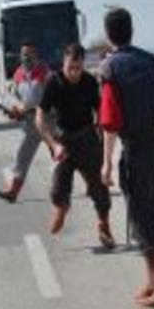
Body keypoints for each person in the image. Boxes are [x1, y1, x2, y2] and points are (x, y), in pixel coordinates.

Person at [99, 7, 154, 308]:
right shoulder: (150, 60)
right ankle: (152, 282)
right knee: (144, 213)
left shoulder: (110, 69)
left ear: (108, 35)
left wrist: (107, 163)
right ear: (131, 31)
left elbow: (109, 122)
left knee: (145, 218)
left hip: (135, 149)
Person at [35, 43, 116, 250]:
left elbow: (101, 113)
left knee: (99, 188)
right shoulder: (54, 81)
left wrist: (102, 134)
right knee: (58, 188)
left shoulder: (89, 82)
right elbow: (40, 117)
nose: (73, 72)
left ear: (83, 65)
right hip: (63, 140)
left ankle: (103, 225)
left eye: (78, 68)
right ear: (64, 63)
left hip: (87, 137)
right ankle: (62, 208)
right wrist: (53, 144)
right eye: (70, 67)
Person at [0, 41, 51, 202]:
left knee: (62, 153)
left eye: (30, 53)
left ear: (36, 55)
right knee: (22, 157)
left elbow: (54, 95)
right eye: (24, 53)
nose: (27, 57)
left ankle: (92, 183)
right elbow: (14, 96)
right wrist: (13, 109)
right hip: (30, 123)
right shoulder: (18, 74)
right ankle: (13, 192)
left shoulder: (45, 72)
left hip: (49, 120)